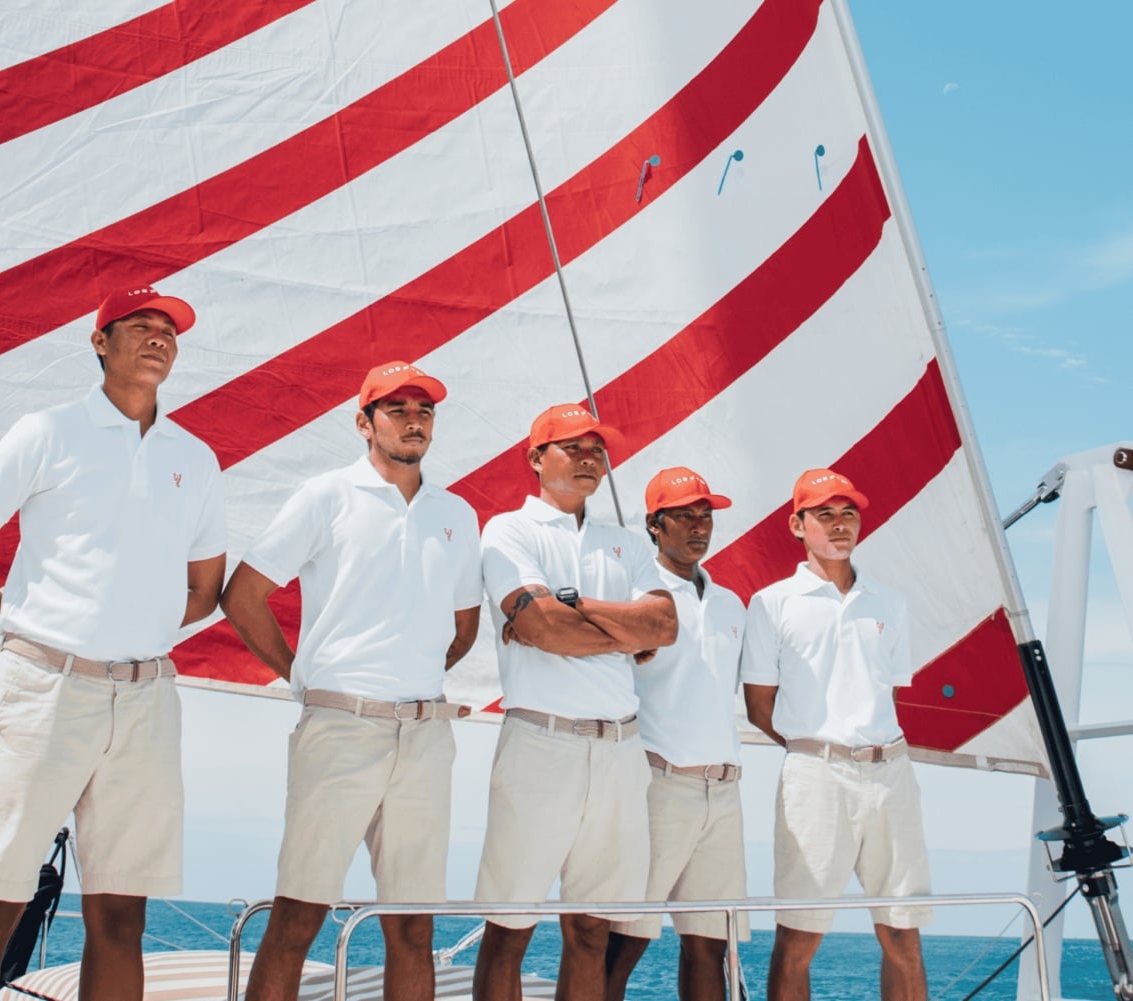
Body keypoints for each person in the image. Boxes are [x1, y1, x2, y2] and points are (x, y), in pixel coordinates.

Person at [0, 285, 227, 1001]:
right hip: (42, 690)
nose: (158, 337)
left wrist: (129, 631)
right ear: (99, 341)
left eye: (169, 330)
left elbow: (204, 590)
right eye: (140, 326)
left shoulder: (197, 459)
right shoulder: (46, 432)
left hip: (147, 700)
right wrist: (26, 631)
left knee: (121, 917)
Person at [220, 361, 483, 1001]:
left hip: (424, 736)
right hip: (340, 727)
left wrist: (410, 678)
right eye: (398, 409)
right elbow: (243, 594)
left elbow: (465, 627)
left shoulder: (457, 513)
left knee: (412, 928)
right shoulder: (325, 496)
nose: (414, 419)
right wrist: (304, 676)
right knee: (298, 916)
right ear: (365, 422)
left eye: (424, 409)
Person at [472, 404, 678, 1001]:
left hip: (620, 749)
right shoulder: (509, 531)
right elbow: (543, 631)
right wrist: (622, 635)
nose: (590, 458)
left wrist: (572, 605)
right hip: (541, 743)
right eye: (573, 447)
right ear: (537, 458)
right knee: (509, 928)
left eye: (597, 449)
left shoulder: (623, 542)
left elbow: (664, 626)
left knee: (592, 929)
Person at [741, 468, 929, 1001]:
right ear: (797, 525)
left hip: (891, 773)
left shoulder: (888, 603)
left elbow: (884, 694)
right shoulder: (772, 603)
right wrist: (820, 748)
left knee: (902, 933)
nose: (840, 524)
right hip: (814, 776)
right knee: (799, 935)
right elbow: (760, 707)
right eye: (825, 514)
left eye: (848, 513)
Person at [604, 467, 749, 1001]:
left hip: (724, 788)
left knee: (710, 946)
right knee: (625, 941)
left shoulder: (733, 604)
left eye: (705, 515)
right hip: (656, 783)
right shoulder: (636, 595)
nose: (698, 526)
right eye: (684, 515)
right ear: (654, 525)